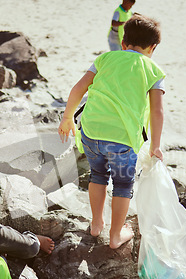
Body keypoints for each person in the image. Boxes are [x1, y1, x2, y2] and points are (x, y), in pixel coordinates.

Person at [58, 14, 165, 249]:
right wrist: (155, 144)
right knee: (123, 185)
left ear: (124, 43)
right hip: (122, 140)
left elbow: (78, 88)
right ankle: (115, 236)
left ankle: (96, 225)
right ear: (153, 48)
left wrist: (67, 118)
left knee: (97, 175)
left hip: (92, 132)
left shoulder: (105, 59)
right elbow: (157, 112)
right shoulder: (154, 71)